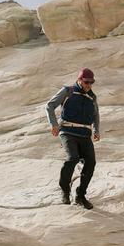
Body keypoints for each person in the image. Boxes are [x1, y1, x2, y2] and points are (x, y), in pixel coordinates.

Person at [45, 68, 100, 210]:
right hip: (68, 132)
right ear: (79, 80)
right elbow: (50, 106)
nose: (89, 85)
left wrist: (96, 130)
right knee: (72, 158)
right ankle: (65, 190)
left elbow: (96, 115)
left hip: (84, 134)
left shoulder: (92, 97)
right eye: (86, 82)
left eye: (91, 82)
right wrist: (54, 124)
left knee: (91, 163)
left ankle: (80, 195)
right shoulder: (68, 91)